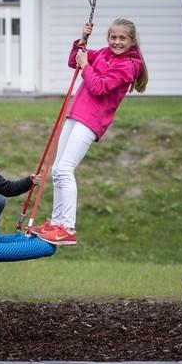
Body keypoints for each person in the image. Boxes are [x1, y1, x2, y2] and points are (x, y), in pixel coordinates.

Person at [34, 18, 148, 246]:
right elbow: (73, 61)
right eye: (113, 37)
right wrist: (82, 40)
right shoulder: (103, 53)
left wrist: (86, 64)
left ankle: (67, 227)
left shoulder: (129, 65)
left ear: (132, 41)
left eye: (122, 38)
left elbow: (99, 86)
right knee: (57, 168)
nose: (116, 42)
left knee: (66, 169)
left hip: (92, 120)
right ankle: (57, 223)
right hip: (76, 114)